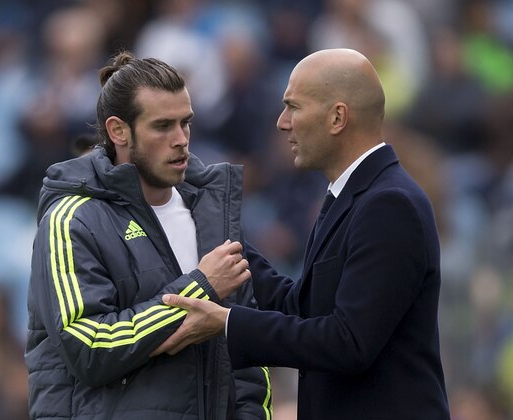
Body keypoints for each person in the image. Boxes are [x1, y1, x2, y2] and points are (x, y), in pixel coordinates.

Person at [154, 48, 451, 419]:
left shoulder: (389, 204)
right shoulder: (353, 194)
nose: (282, 122)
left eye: (293, 107)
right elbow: (304, 309)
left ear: (337, 117)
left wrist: (228, 322)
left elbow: (349, 342)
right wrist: (221, 242)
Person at [25, 51, 272, 420]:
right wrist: (201, 287)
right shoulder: (71, 219)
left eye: (185, 123)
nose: (181, 140)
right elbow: (89, 348)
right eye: (163, 126)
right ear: (118, 131)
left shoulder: (213, 216)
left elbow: (247, 354)